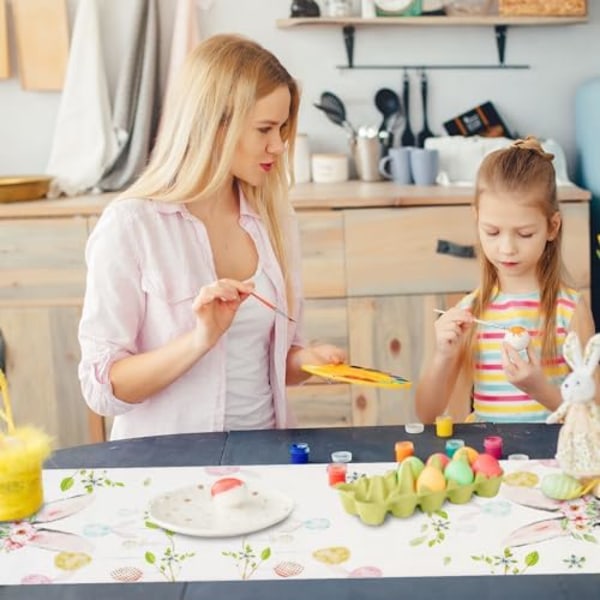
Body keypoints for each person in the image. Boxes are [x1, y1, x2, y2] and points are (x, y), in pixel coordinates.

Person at [78, 34, 346, 440]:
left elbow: (273, 358)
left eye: (284, 128)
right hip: (168, 469)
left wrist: (307, 360)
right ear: (216, 125)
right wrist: (199, 340)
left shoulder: (276, 220)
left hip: (267, 459)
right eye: (265, 129)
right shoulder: (131, 226)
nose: (279, 145)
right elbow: (102, 388)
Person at [415, 136, 596, 424]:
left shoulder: (570, 310)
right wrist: (442, 355)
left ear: (552, 227)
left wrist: (540, 390)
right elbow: (427, 414)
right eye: (492, 232)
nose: (507, 248)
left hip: (553, 462)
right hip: (491, 464)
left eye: (524, 234)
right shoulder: (470, 311)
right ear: (476, 220)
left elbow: (594, 415)